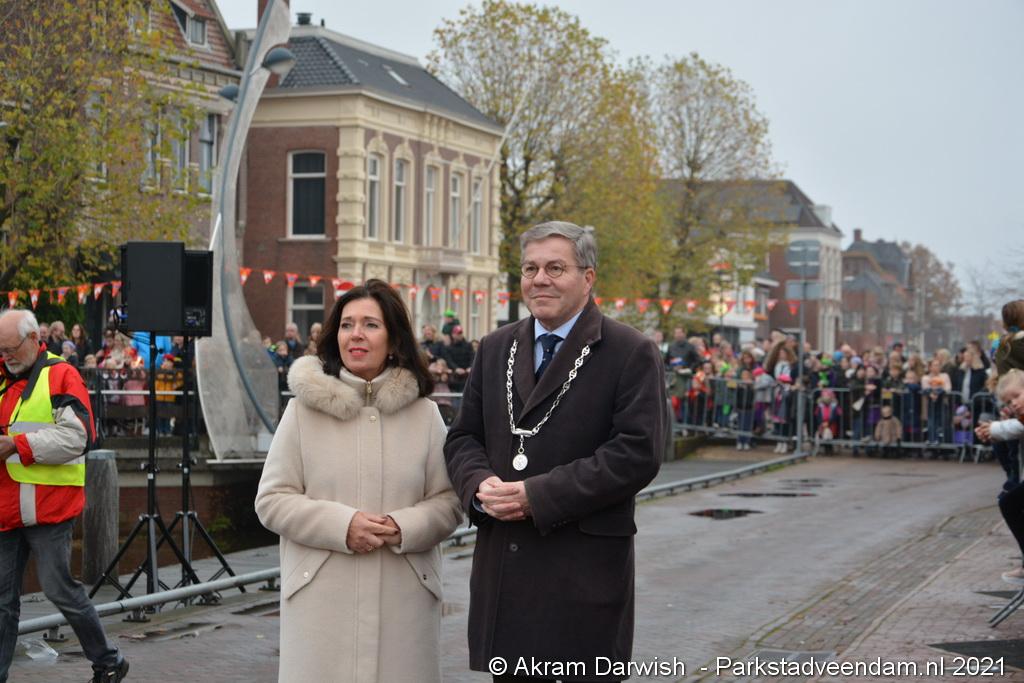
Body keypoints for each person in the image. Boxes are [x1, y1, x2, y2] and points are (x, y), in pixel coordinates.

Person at [444, 221, 664, 681]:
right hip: (505, 569)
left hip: (580, 573)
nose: (539, 279)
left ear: (588, 277)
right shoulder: (495, 347)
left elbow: (636, 453)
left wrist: (537, 496)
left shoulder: (630, 351)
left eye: (555, 268)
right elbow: (463, 437)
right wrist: (479, 484)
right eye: (530, 268)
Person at [255, 280, 461, 683]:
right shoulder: (301, 412)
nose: (356, 335)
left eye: (370, 324)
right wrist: (342, 525)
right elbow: (272, 499)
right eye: (347, 325)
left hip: (404, 599)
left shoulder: (424, 415)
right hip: (321, 599)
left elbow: (450, 501)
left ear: (394, 339)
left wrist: (404, 526)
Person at [0, 309, 128, 682]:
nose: (5, 357)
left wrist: (17, 445)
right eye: (0, 350)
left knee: (59, 589)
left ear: (34, 340)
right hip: (6, 508)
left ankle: (107, 660)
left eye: (10, 349)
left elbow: (78, 438)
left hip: (49, 507)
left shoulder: (61, 374)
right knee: (2, 600)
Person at [443, 324, 474, 392]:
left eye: (461, 333)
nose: (460, 335)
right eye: (458, 333)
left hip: (467, 375)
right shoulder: (449, 347)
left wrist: (470, 367)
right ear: (453, 335)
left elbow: (472, 357)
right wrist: (456, 368)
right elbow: (449, 360)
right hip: (455, 376)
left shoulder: (468, 345)